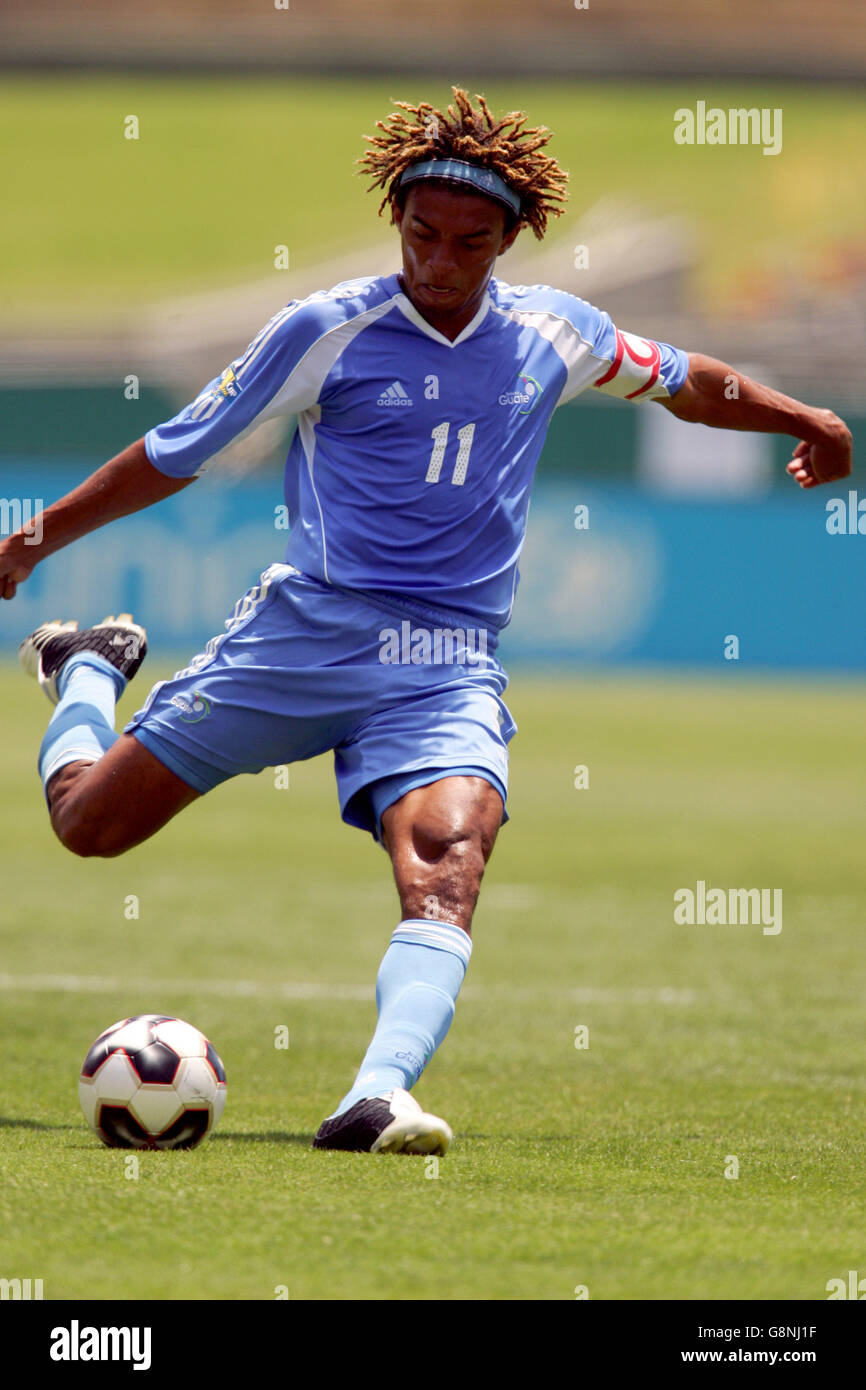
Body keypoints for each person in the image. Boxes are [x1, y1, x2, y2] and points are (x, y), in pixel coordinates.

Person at [0, 89, 852, 1155]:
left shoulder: (555, 330)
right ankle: (87, 668)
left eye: (469, 241)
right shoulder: (326, 330)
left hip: (445, 661)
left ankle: (375, 1094)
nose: (440, 260)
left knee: (451, 857)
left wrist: (801, 416)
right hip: (305, 635)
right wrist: (38, 538)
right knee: (90, 825)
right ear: (394, 221)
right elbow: (180, 448)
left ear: (513, 238)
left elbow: (685, 381)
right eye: (421, 235)